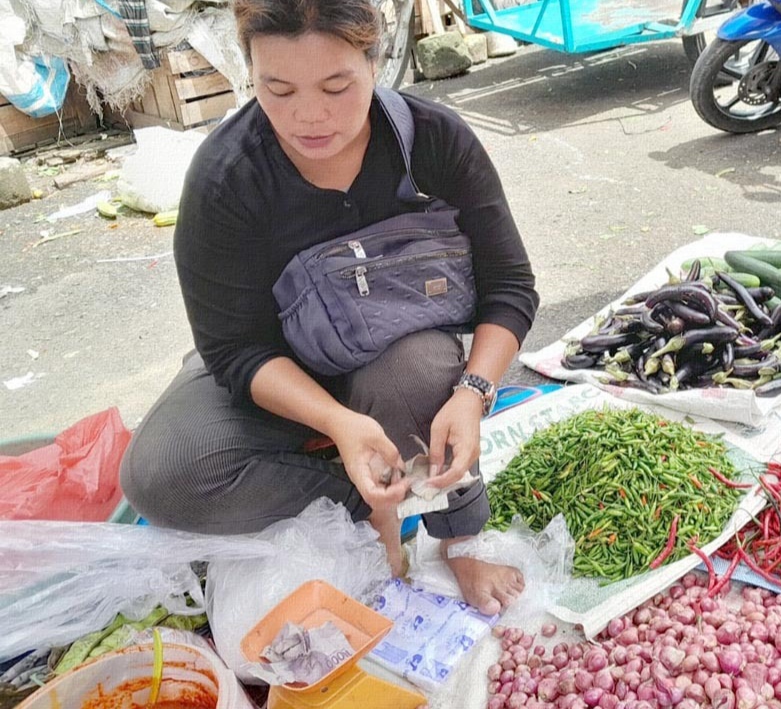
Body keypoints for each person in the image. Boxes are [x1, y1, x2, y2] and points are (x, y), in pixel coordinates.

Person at [119, 0, 539, 616]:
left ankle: (459, 534)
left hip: (395, 357)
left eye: (337, 86)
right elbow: (235, 349)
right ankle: (379, 503)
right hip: (279, 376)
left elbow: (510, 286)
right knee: (165, 472)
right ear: (250, 72)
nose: (309, 117)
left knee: (423, 375)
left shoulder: (435, 142)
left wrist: (473, 392)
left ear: (376, 60)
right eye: (278, 89)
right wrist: (341, 425)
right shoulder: (224, 178)